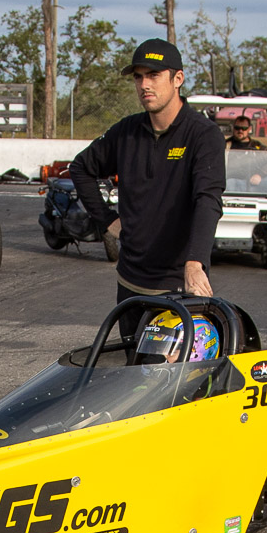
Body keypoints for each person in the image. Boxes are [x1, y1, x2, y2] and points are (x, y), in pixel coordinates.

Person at [70, 38, 225, 337]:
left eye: (154, 75)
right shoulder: (126, 132)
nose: (144, 85)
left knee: (170, 367)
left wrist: (195, 263)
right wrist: (108, 221)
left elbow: (208, 200)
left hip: (178, 288)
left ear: (177, 79)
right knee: (131, 364)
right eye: (138, 77)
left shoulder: (203, 135)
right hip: (130, 285)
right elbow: (80, 168)